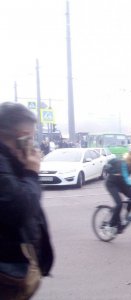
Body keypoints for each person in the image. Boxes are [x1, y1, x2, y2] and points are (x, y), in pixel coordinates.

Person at [0, 102, 54, 299]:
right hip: (9, 272)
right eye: (29, 139)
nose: (31, 146)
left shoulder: (8, 160)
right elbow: (20, 208)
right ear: (20, 136)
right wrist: (31, 172)